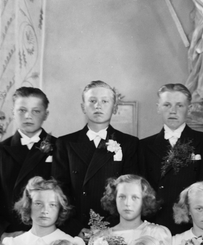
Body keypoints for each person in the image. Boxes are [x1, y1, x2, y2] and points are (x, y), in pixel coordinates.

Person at [52, 80, 139, 236]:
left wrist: (110, 228)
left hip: (115, 229)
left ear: (114, 108)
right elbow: (59, 192)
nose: (98, 106)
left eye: (105, 101)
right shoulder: (65, 143)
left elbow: (131, 192)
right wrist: (75, 228)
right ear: (83, 107)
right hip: (77, 229)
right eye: (92, 101)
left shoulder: (129, 143)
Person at [0, 86, 55, 240]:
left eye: (36, 111)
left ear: (45, 114)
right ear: (13, 112)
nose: (28, 116)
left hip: (50, 235)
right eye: (22, 110)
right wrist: (3, 233)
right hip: (12, 235)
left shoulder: (60, 148)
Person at [136, 83, 203, 235]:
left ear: (189, 109)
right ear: (158, 107)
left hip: (190, 223)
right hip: (155, 222)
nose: (173, 111)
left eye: (180, 105)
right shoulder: (144, 145)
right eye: (167, 105)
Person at [3, 177, 80, 245]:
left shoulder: (72, 243)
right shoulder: (12, 244)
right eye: (38, 203)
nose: (45, 210)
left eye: (52, 205)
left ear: (60, 208)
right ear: (28, 206)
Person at [88, 175, 173, 245]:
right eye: (122, 197)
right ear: (114, 199)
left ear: (144, 200)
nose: (127, 203)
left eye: (135, 197)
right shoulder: (99, 239)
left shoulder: (158, 234)